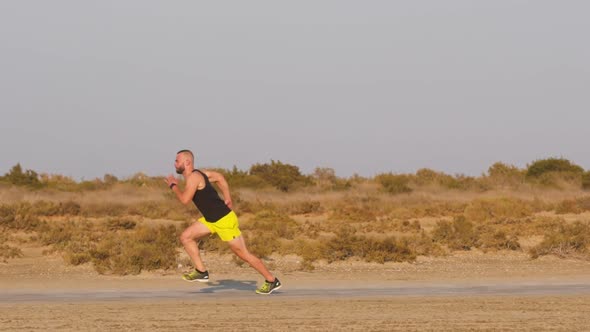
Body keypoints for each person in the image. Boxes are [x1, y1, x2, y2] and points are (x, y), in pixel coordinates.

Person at [165, 149, 282, 295]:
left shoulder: (195, 177)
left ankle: (271, 280)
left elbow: (185, 200)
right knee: (186, 237)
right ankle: (201, 271)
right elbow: (219, 177)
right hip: (211, 220)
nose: (174, 163)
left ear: (187, 162)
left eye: (177, 160)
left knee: (243, 254)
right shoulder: (201, 174)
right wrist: (228, 198)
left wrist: (173, 186)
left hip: (224, 220)